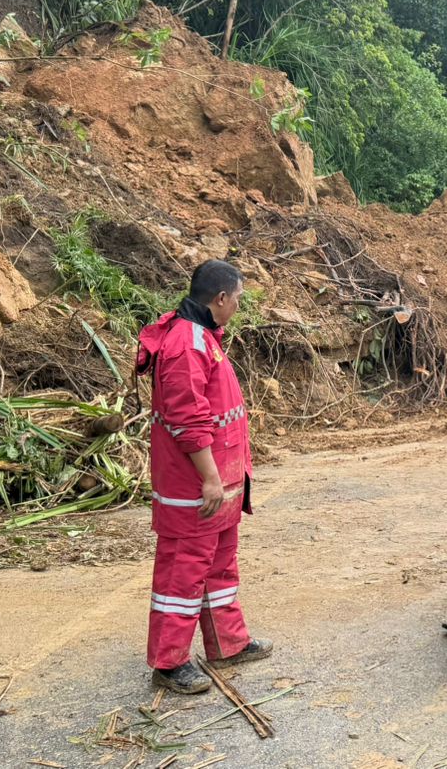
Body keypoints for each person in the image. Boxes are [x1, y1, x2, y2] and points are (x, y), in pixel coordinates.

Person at [135, 260, 271, 695]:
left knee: (218, 566)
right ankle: (169, 663)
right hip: (196, 487)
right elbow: (187, 419)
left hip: (218, 485)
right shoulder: (185, 344)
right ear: (220, 298)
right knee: (183, 573)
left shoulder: (203, 337)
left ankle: (228, 643)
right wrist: (211, 479)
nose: (237, 306)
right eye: (238, 299)